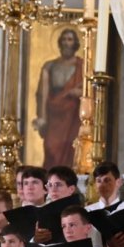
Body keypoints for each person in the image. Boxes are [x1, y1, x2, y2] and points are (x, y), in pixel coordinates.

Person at [34, 27, 84, 168]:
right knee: (52, 148)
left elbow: (89, 93)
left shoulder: (82, 66)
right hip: (54, 116)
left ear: (75, 43)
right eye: (63, 39)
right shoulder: (49, 66)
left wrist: (77, 93)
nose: (66, 43)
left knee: (72, 150)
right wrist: (42, 117)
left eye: (69, 39)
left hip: (74, 116)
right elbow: (43, 93)